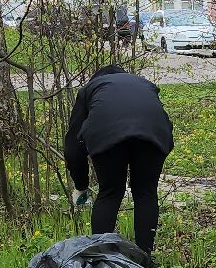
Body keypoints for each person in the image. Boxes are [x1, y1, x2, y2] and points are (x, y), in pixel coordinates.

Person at [65, 64, 174, 255]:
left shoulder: (91, 88)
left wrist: (81, 185)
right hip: (154, 135)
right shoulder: (145, 84)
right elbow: (161, 120)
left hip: (107, 135)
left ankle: (102, 258)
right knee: (146, 193)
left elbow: (74, 147)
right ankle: (145, 257)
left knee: (110, 193)